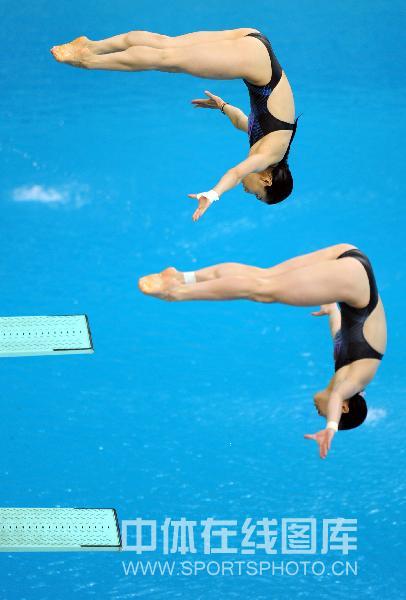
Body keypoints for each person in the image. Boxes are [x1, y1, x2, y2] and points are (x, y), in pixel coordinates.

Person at [138, 244, 387, 458]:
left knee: (262, 276)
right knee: (262, 290)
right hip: (352, 279)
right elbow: (336, 397)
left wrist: (331, 309)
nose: (319, 413)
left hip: (349, 259)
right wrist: (330, 428)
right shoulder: (355, 380)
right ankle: (176, 293)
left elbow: (340, 332)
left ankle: (182, 277)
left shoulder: (350, 366)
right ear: (344, 407)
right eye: (323, 415)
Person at [51, 28, 297, 220]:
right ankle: (87, 60)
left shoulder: (273, 146)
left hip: (254, 41)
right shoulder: (266, 156)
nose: (248, 192)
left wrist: (223, 107)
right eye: (256, 195)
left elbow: (244, 122)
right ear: (267, 181)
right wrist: (213, 195)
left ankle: (90, 45)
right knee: (166, 59)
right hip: (253, 61)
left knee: (164, 44)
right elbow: (236, 173)